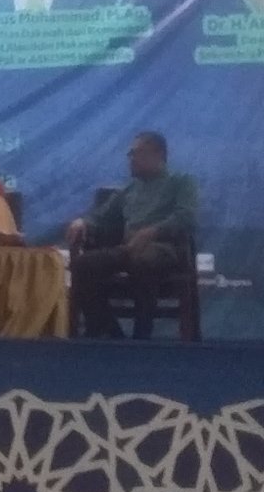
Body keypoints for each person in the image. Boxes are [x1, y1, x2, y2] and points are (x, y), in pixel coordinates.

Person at [66, 132, 198, 340]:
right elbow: (101, 217)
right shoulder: (130, 189)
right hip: (128, 249)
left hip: (164, 249)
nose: (131, 159)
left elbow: (186, 217)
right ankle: (113, 334)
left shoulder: (181, 182)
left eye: (137, 153)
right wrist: (82, 222)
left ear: (158, 155)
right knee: (83, 265)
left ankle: (142, 335)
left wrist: (153, 231)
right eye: (130, 154)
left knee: (142, 260)